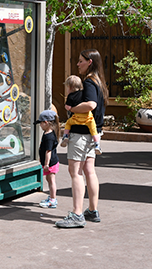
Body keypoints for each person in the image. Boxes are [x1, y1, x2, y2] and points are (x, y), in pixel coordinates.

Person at [55, 49, 107, 228]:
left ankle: (77, 214)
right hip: (93, 134)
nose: (78, 64)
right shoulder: (99, 82)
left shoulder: (89, 82)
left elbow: (91, 105)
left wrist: (72, 109)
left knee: (75, 171)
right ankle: (92, 210)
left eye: (80, 61)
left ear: (90, 62)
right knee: (89, 171)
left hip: (81, 134)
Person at [61, 75, 102, 155]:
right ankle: (97, 144)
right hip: (88, 119)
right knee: (94, 130)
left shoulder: (71, 96)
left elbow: (68, 107)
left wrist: (70, 108)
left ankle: (65, 136)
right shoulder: (84, 94)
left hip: (76, 119)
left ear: (69, 87)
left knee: (68, 123)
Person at [35, 109, 60, 209]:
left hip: (50, 163)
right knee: (49, 179)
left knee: (51, 180)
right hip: (50, 162)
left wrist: (46, 164)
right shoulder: (49, 133)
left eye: (41, 123)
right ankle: (51, 197)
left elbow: (48, 151)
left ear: (46, 122)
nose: (40, 126)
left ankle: (53, 200)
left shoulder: (49, 136)